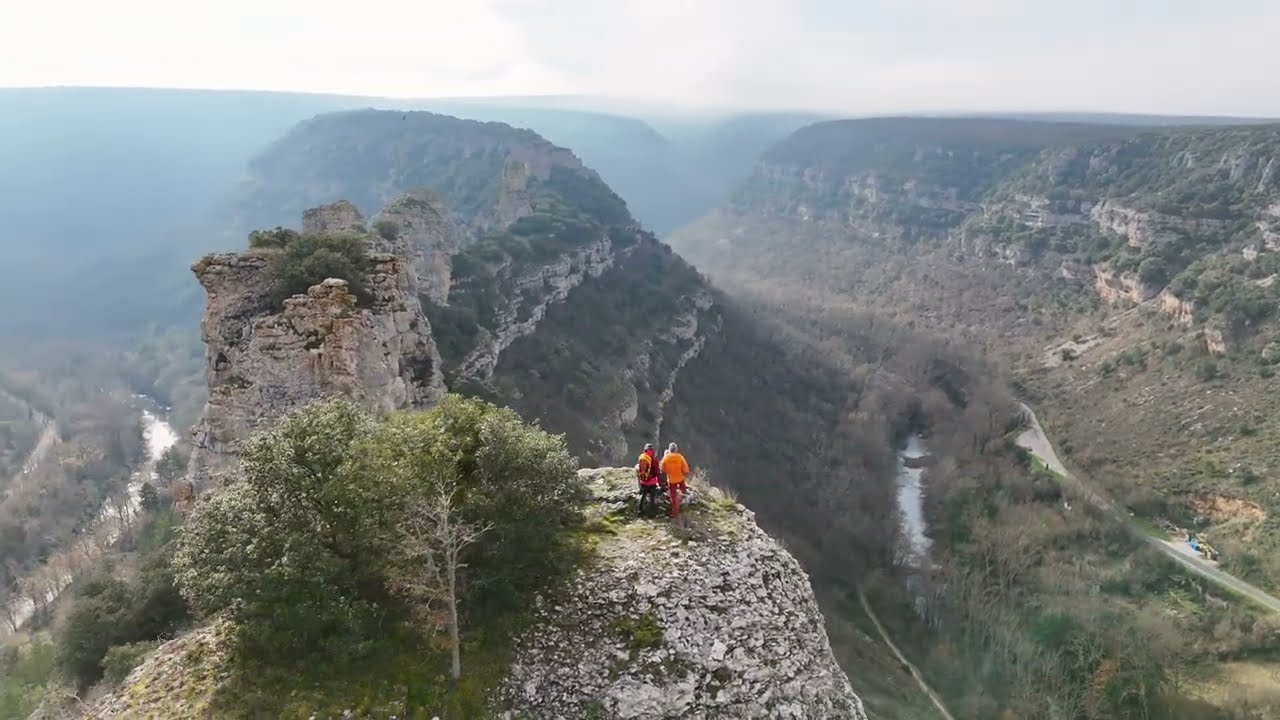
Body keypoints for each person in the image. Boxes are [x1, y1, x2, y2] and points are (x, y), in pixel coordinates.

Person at [659, 442, 690, 518]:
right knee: (683, 489)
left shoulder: (666, 458)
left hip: (671, 480)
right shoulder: (680, 457)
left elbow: (662, 468)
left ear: (669, 450)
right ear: (676, 449)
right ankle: (685, 498)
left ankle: (675, 513)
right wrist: (683, 473)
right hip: (680, 478)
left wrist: (668, 471)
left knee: (673, 496)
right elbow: (686, 469)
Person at [636, 443, 662, 517]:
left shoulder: (642, 457)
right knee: (652, 498)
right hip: (652, 482)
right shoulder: (654, 460)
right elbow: (657, 473)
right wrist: (660, 484)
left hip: (643, 482)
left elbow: (640, 470)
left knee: (643, 497)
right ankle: (651, 514)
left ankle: (639, 511)